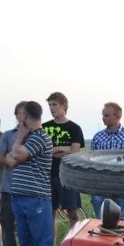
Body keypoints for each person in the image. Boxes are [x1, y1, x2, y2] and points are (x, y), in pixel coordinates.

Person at [0, 101, 54, 246]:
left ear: (27, 116)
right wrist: (18, 145)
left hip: (36, 196)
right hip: (18, 194)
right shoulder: (28, 137)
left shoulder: (40, 137)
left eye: (22, 115)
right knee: (24, 233)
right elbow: (11, 161)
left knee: (41, 235)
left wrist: (19, 138)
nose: (19, 119)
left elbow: (17, 156)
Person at [43, 92, 84, 234]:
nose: (51, 108)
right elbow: (43, 151)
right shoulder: (44, 127)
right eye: (49, 105)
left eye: (54, 104)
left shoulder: (74, 128)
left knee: (72, 213)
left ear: (64, 106)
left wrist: (57, 149)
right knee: (49, 214)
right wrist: (63, 149)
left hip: (67, 176)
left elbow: (75, 152)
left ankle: (73, 245)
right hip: (47, 175)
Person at [90, 102, 124, 217]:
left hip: (122, 185)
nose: (103, 118)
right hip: (101, 184)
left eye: (106, 115)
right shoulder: (98, 137)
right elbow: (91, 161)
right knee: (100, 218)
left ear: (117, 116)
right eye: (103, 115)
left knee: (121, 219)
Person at [0, 102, 25, 246]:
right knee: (7, 224)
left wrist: (20, 158)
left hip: (28, 189)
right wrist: (8, 160)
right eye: (19, 113)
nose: (21, 116)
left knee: (27, 227)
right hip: (8, 187)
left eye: (24, 113)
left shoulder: (37, 136)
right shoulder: (7, 135)